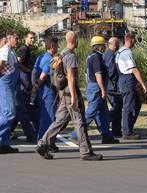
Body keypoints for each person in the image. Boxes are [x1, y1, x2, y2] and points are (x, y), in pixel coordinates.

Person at [35, 31, 103, 161]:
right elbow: (70, 77)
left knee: (60, 121)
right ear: (75, 40)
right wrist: (74, 96)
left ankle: (43, 143)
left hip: (63, 93)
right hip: (70, 92)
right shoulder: (70, 56)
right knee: (79, 121)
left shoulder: (61, 54)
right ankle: (85, 151)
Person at [80, 35, 118, 144]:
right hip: (97, 88)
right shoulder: (96, 57)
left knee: (103, 113)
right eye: (103, 45)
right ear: (99, 46)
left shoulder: (92, 56)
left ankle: (106, 136)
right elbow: (98, 75)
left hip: (94, 87)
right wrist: (103, 89)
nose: (104, 47)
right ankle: (76, 134)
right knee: (91, 112)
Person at [116, 33, 147, 140]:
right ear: (131, 40)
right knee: (128, 106)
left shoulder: (119, 51)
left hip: (122, 79)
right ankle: (127, 131)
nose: (135, 42)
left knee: (136, 104)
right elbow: (134, 69)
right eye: (135, 40)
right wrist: (143, 84)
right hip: (127, 79)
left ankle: (128, 127)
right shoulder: (127, 52)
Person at [32, 38, 58, 146]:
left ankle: (47, 141)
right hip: (48, 91)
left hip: (42, 92)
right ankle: (45, 143)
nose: (58, 47)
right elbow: (43, 76)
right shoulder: (50, 59)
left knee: (45, 117)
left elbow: (34, 71)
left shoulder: (41, 56)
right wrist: (37, 86)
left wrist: (34, 85)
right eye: (57, 45)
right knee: (48, 118)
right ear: (52, 46)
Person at [13, 31, 37, 142]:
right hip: (24, 80)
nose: (33, 40)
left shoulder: (27, 49)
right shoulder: (24, 49)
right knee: (23, 108)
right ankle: (30, 133)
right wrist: (28, 70)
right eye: (31, 38)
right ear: (25, 39)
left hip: (25, 80)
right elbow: (18, 62)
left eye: (34, 38)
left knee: (22, 109)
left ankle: (8, 131)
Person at [104, 37, 122, 137]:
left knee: (117, 108)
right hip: (112, 87)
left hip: (110, 86)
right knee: (116, 108)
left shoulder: (107, 54)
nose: (118, 46)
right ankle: (107, 125)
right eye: (118, 44)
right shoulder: (110, 55)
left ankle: (116, 130)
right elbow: (111, 71)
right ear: (114, 44)